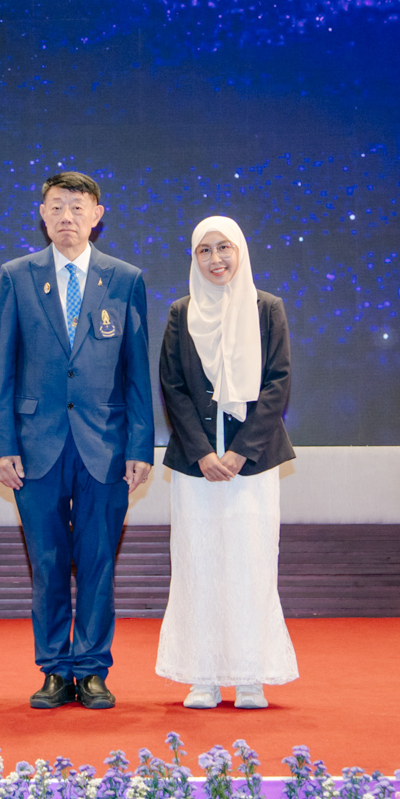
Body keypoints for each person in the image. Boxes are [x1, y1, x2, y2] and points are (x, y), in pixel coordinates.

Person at [0, 170, 153, 709]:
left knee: (99, 562)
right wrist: (1, 444)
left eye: (78, 208)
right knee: (48, 562)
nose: (67, 217)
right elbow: (3, 369)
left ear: (97, 216)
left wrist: (140, 447)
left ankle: (94, 668)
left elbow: (136, 371)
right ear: (42, 214)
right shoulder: (17, 276)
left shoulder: (125, 279)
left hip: (106, 444)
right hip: (35, 445)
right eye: (57, 206)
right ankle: (55, 669)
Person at [155, 215, 298, 709]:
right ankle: (204, 675)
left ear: (240, 251)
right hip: (197, 463)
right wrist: (203, 452)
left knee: (250, 564)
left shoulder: (267, 308)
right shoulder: (181, 312)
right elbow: (172, 386)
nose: (215, 259)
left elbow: (278, 383)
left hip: (252, 462)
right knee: (199, 565)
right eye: (205, 250)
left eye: (224, 248)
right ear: (194, 258)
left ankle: (250, 675)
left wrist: (239, 451)